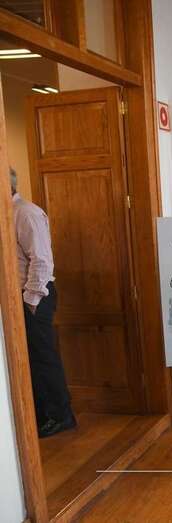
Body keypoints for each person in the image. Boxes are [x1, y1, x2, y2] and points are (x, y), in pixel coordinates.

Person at [11, 168, 75, 438]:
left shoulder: (26, 213)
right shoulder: (7, 213)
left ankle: (60, 416)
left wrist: (31, 300)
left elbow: (42, 260)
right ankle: (41, 415)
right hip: (17, 297)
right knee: (26, 359)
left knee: (42, 357)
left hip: (34, 296)